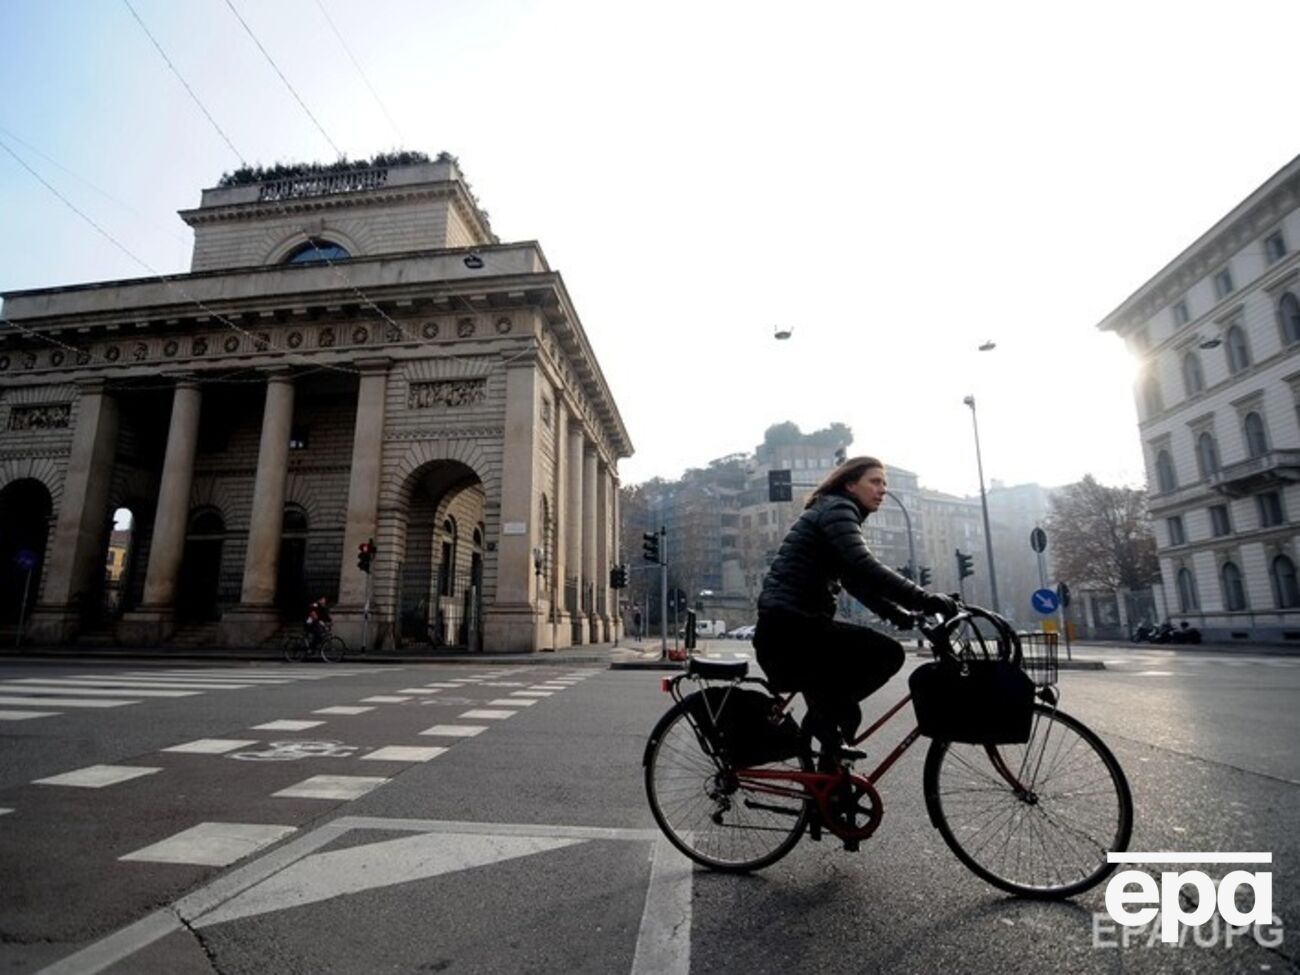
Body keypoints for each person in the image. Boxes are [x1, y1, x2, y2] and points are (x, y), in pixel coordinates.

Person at [753, 456, 957, 765]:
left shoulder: (834, 511)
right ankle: (824, 724)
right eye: (874, 482)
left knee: (841, 713)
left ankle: (828, 796)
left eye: (885, 484)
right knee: (887, 654)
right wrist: (923, 599)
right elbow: (865, 566)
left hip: (792, 628)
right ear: (850, 484)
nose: (882, 490)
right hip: (791, 629)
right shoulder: (838, 509)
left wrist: (903, 616)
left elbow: (856, 583)